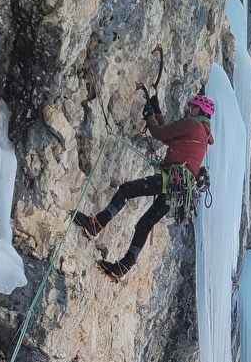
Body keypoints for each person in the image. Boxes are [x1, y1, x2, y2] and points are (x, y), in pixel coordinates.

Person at [75, 93, 215, 280]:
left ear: (198, 109)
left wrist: (149, 116)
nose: (188, 110)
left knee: (127, 190)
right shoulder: (202, 132)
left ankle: (97, 223)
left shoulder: (193, 124)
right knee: (145, 223)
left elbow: (159, 133)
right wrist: (156, 113)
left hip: (171, 180)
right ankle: (123, 267)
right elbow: (170, 137)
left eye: (192, 107)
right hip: (179, 190)